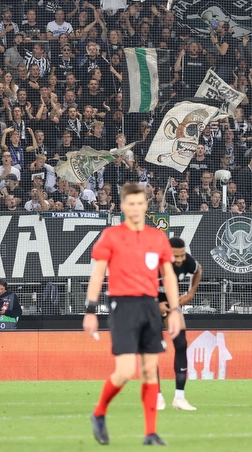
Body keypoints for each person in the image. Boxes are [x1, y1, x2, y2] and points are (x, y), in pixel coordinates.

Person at [83, 182, 184, 447]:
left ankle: (150, 433)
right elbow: (97, 274)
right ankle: (99, 413)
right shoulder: (111, 236)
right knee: (127, 371)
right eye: (131, 204)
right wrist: (90, 311)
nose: (136, 208)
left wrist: (175, 310)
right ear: (124, 205)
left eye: (141, 204)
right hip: (122, 305)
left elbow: (169, 277)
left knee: (150, 370)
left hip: (150, 306)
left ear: (146, 205)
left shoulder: (157, 238)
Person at [156, 237, 201, 412]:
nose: (181, 259)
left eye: (182, 255)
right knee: (153, 350)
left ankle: (179, 397)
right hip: (148, 305)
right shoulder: (153, 264)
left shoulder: (186, 261)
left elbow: (198, 271)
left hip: (171, 305)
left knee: (181, 344)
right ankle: (157, 397)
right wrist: (155, 305)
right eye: (177, 256)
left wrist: (190, 294)